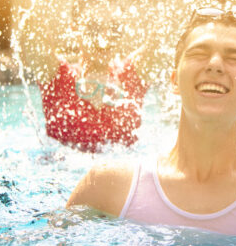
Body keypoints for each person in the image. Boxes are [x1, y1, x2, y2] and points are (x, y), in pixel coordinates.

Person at [66, 8, 236, 235]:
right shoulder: (107, 188)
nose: (214, 64)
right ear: (174, 81)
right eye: (199, 54)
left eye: (235, 58)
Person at [23, 13, 156, 152]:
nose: (105, 37)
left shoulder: (131, 76)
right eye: (95, 27)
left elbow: (169, 34)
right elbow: (30, 24)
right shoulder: (57, 76)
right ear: (75, 30)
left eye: (114, 28)